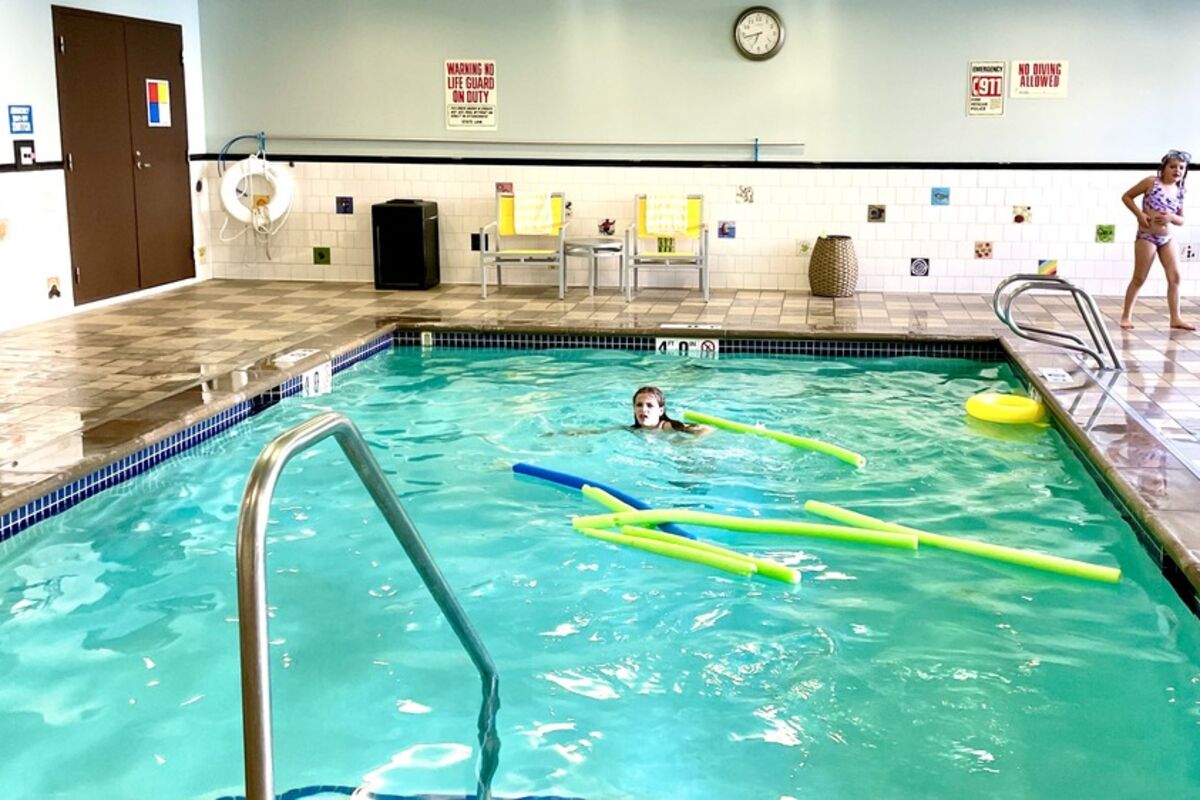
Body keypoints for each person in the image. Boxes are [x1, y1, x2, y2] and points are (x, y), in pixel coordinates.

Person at [1120, 149, 1191, 331]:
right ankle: (1126, 316)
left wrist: (1171, 218)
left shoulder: (1180, 190)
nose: (1177, 170)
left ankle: (1175, 318)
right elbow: (1127, 197)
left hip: (1167, 238)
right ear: (1164, 168)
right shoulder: (1152, 182)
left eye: (1181, 168)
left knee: (1175, 277)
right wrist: (1140, 215)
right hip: (1147, 236)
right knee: (1139, 278)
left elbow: (1181, 219)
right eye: (1173, 166)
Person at [631, 386, 708, 434]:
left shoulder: (668, 426)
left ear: (660, 411)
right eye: (639, 405)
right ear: (634, 409)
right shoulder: (633, 430)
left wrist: (689, 442)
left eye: (650, 405)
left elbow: (706, 429)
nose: (643, 409)